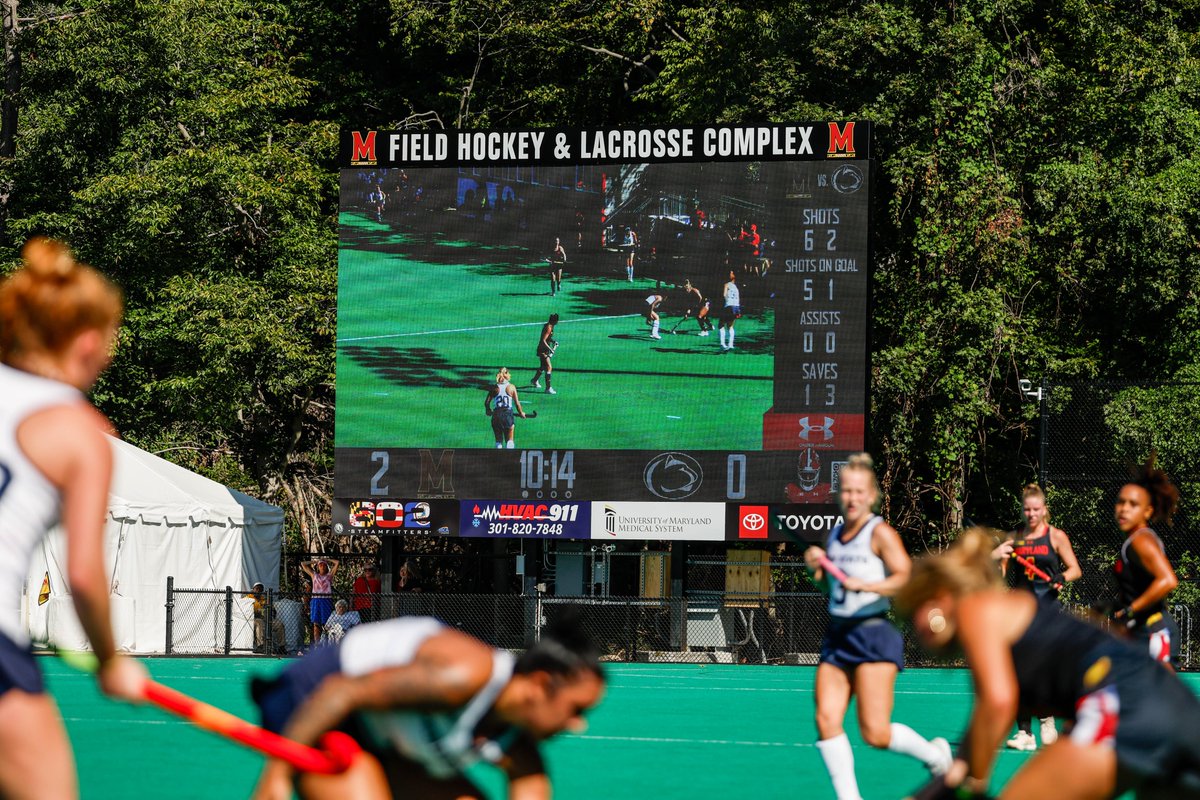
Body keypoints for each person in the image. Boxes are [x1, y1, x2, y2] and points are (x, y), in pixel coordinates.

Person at [0, 236, 148, 797]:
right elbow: (84, 573)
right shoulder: (79, 430)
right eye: (110, 340)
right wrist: (112, 661)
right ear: (86, 342)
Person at [897, 527, 1200, 800]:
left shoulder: (975, 609)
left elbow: (999, 702)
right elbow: (971, 755)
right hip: (1174, 707)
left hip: (1122, 703)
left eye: (915, 610)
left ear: (938, 596)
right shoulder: (1006, 621)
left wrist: (965, 784)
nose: (915, 626)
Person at [249, 614, 606, 800]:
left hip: (388, 738)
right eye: (577, 708)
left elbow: (532, 789)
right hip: (315, 704)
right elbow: (339, 693)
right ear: (541, 685)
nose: (578, 725)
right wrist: (277, 775)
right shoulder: (464, 677)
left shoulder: (522, 751)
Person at [803, 453, 951, 800]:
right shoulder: (836, 534)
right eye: (846, 491)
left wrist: (868, 586)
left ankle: (936, 757)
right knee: (826, 718)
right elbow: (830, 586)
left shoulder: (879, 532)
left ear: (871, 496)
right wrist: (816, 570)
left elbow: (905, 578)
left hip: (874, 635)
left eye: (859, 492)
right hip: (838, 636)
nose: (852, 498)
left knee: (875, 733)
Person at [992, 483, 1082, 751]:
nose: (1031, 514)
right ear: (1022, 510)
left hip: (1047, 615)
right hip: (1019, 615)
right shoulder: (1014, 537)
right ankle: (1024, 733)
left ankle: (1047, 718)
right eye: (1027, 509)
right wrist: (996, 557)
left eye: (1036, 509)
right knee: (1015, 672)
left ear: (1044, 510)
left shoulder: (1055, 537)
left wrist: (1061, 577)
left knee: (1042, 672)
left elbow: (1076, 569)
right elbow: (998, 577)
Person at [1103, 457, 1182, 669]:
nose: (1124, 509)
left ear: (1147, 511)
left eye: (1133, 504)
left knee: (1161, 699)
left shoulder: (1141, 540)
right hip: (1141, 632)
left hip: (1155, 632)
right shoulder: (1133, 540)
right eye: (1121, 502)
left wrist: (1130, 609)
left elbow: (1168, 580)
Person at [484, 367, 526, 449]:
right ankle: (509, 459)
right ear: (507, 375)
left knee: (498, 441)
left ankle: (498, 459)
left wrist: (488, 410)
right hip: (507, 414)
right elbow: (517, 403)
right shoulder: (511, 387)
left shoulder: (494, 387)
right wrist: (521, 413)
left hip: (496, 414)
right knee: (509, 440)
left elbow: (487, 402)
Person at [302, 558, 340, 645]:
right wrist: (315, 561)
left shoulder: (329, 576)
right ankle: (317, 645)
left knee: (327, 624)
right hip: (316, 601)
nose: (322, 566)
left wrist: (327, 559)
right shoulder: (314, 575)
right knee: (316, 624)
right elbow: (303, 564)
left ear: (326, 567)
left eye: (324, 564)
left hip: (326, 601)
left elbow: (337, 563)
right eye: (320, 564)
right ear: (318, 567)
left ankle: (327, 644)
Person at [248, 582, 287, 655]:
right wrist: (257, 612)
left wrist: (270, 611)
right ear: (253, 589)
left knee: (279, 624)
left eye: (260, 589)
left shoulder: (264, 599)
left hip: (266, 619)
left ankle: (281, 646)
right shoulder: (248, 598)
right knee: (260, 623)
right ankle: (260, 646)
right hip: (253, 619)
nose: (258, 591)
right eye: (256, 589)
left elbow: (273, 610)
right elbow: (245, 610)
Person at [529, 314, 558, 395]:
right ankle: (548, 388)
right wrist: (551, 349)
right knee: (549, 367)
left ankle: (534, 380)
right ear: (554, 321)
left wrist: (553, 341)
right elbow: (543, 340)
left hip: (545, 349)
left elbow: (548, 338)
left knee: (543, 366)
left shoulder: (551, 326)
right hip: (542, 350)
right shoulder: (548, 327)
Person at [718, 270, 741, 351]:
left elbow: (724, 295)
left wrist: (726, 303)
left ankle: (722, 344)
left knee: (721, 325)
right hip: (736, 307)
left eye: (731, 273)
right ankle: (730, 344)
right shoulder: (736, 287)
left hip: (729, 306)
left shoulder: (727, 284)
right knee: (730, 326)